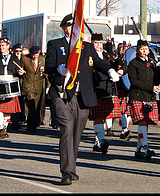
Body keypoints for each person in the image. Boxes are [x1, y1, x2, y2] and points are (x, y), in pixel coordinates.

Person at [44, 14, 122, 185]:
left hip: (82, 97)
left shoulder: (86, 47)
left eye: (76, 25)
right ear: (64, 27)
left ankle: (71, 167)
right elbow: (48, 66)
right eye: (70, 25)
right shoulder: (55, 45)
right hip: (62, 95)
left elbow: (99, 63)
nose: (73, 28)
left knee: (76, 134)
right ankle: (67, 171)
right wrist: (59, 68)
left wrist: (110, 71)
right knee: (66, 128)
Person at [126, 39, 160, 161]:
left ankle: (138, 149)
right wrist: (150, 87)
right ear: (137, 51)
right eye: (142, 49)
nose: (145, 51)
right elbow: (134, 81)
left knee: (146, 123)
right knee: (142, 122)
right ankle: (146, 148)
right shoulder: (133, 63)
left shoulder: (152, 63)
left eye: (146, 49)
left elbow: (158, 75)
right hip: (138, 96)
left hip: (150, 96)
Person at [0, 37, 25, 139]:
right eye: (0, 45)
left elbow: (19, 71)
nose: (1, 47)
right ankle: (0, 128)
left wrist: (20, 73)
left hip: (11, 87)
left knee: (8, 111)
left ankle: (4, 128)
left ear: (8, 46)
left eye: (3, 45)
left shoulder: (14, 58)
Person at [88, 33, 122, 155]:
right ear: (92, 44)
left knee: (106, 116)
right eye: (96, 43)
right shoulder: (88, 56)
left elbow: (120, 63)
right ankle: (99, 141)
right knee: (98, 118)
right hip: (96, 89)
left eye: (100, 43)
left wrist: (120, 70)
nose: (98, 45)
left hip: (109, 89)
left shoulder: (108, 55)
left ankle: (98, 141)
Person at [22, 45, 46, 133]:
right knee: (31, 106)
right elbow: (20, 69)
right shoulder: (25, 59)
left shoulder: (43, 59)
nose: (33, 56)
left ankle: (35, 122)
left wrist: (48, 86)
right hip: (28, 86)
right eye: (32, 55)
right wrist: (20, 72)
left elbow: (46, 74)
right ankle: (30, 125)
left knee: (37, 106)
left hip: (38, 87)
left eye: (35, 55)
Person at [9, 43, 27, 130]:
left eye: (20, 51)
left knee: (22, 103)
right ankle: (15, 122)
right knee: (15, 103)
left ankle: (21, 118)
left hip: (24, 84)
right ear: (13, 51)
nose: (18, 53)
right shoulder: (11, 59)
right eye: (16, 51)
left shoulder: (25, 59)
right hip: (14, 84)